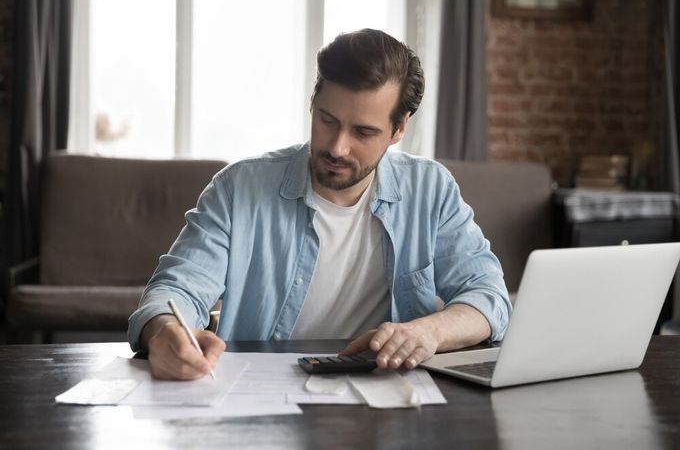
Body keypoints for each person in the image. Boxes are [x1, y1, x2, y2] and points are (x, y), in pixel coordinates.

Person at [128, 28, 511, 380]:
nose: (337, 147)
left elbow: (489, 297)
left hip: (388, 393)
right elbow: (174, 290)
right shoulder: (238, 188)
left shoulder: (431, 189)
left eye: (363, 132)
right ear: (313, 103)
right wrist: (164, 333)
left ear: (399, 129)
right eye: (327, 120)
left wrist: (429, 331)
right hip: (261, 394)